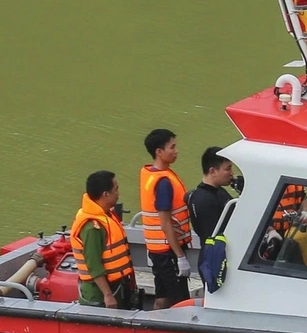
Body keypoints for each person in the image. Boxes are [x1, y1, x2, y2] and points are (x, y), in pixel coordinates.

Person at [139, 129, 194, 308]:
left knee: (162, 297)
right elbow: (165, 222)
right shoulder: (163, 183)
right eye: (172, 147)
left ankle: (151, 330)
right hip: (168, 251)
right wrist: (180, 257)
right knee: (181, 301)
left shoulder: (150, 174)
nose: (176, 151)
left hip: (157, 250)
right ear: (159, 152)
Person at [70, 171, 137, 310]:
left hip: (116, 286)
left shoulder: (107, 215)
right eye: (116, 189)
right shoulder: (92, 228)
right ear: (106, 194)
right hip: (98, 294)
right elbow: (93, 264)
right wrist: (107, 295)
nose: (118, 194)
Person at [188, 147, 239, 295]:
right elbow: (213, 233)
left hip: (218, 255)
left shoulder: (217, 192)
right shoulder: (204, 200)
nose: (232, 173)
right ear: (212, 171)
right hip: (215, 259)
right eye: (228, 168)